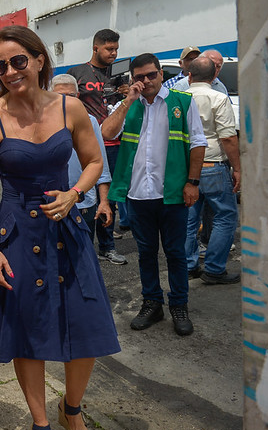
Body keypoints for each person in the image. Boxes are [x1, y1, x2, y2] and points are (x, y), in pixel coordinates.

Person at [0, 26, 120, 430]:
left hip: (67, 228)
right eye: (1, 66)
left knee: (86, 324)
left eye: (18, 61)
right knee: (27, 330)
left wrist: (75, 194)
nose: (10, 71)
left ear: (39, 60)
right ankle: (40, 423)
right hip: (17, 233)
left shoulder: (70, 108)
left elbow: (94, 162)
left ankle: (71, 409)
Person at [102, 53, 206, 337]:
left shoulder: (182, 102)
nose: (146, 81)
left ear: (161, 74)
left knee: (175, 253)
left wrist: (192, 182)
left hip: (172, 193)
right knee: (146, 253)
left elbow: (198, 143)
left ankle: (179, 305)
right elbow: (106, 132)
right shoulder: (128, 105)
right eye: (139, 77)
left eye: (151, 75)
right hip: (138, 195)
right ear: (132, 79)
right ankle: (152, 303)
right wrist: (128, 100)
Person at [67, 29, 128, 265]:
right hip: (86, 141)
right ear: (96, 48)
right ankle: (81, 246)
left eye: (116, 49)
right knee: (84, 192)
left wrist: (126, 93)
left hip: (114, 142)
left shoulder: (119, 75)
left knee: (108, 195)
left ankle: (107, 246)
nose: (114, 53)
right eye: (109, 49)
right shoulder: (77, 73)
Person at [182, 56, 241, 284]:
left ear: (189, 76)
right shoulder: (218, 98)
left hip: (187, 168)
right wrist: (238, 168)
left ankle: (188, 265)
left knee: (189, 220)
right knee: (225, 216)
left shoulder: (179, 98)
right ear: (215, 75)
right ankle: (215, 268)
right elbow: (228, 137)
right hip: (213, 165)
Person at [52, 74, 114, 240]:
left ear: (78, 96)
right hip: (53, 203)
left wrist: (104, 202)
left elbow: (101, 167)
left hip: (83, 203)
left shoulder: (90, 122)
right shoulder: (42, 124)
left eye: (71, 96)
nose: (66, 101)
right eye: (60, 96)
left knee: (83, 251)